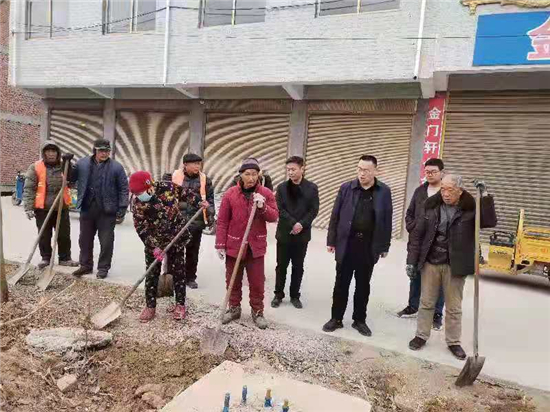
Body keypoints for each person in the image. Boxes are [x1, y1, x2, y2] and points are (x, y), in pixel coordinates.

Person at [407, 175, 497, 360]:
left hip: (455, 264)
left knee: (454, 307)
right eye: (443, 189)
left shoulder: (470, 209)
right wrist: (411, 260)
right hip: (431, 262)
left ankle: (453, 341)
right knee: (426, 302)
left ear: (460, 191)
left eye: (450, 190)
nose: (446, 194)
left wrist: (484, 195)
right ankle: (421, 335)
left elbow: (489, 221)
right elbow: (417, 235)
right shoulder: (431, 206)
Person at [322, 155, 393, 337]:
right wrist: (331, 240)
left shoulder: (384, 191)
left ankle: (359, 320)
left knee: (363, 285)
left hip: (368, 246)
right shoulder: (346, 188)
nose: (362, 173)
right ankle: (336, 318)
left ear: (375, 171)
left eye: (366, 170)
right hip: (347, 243)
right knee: (341, 284)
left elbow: (387, 219)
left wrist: (385, 245)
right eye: (359, 169)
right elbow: (335, 215)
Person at [215, 158, 278, 329]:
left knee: (257, 282)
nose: (251, 178)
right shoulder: (230, 194)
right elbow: (222, 221)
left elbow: (274, 216)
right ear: (240, 175)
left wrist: (263, 207)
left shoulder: (265, 193)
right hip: (234, 244)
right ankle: (234, 308)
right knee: (232, 280)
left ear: (259, 175)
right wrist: (220, 244)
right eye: (247, 174)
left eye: (254, 174)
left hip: (255, 246)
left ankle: (257, 311)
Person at [129, 171, 192, 322]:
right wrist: (154, 247)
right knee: (151, 273)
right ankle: (150, 306)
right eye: (135, 193)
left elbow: (186, 194)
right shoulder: (138, 204)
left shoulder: (167, 187)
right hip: (154, 240)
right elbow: (141, 228)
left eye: (140, 192)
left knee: (178, 271)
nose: (138, 196)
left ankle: (180, 305)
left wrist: (199, 203)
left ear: (149, 186)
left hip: (176, 236)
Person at [398, 158, 446, 331]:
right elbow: (409, 213)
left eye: (433, 172)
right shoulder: (420, 191)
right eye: (427, 172)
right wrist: (412, 226)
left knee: (439, 281)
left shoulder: (447, 192)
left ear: (442, 173)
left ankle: (437, 314)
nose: (430, 175)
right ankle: (413, 306)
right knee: (415, 275)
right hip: (418, 241)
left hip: (439, 244)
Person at [70, 139, 129, 279]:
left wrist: (122, 206)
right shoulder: (82, 163)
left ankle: (103, 268)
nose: (104, 153)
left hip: (107, 210)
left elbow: (124, 188)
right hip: (87, 208)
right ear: (95, 150)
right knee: (84, 239)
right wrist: (65, 163)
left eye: (107, 151)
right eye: (101, 150)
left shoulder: (117, 167)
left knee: (106, 241)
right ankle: (85, 265)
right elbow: (71, 177)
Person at [271, 156, 319, 309]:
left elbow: (313, 210)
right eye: (288, 170)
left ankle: (294, 295)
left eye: (293, 169)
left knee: (298, 267)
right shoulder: (282, 188)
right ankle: (278, 294)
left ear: (302, 169)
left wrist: (301, 224)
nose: (290, 172)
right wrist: (293, 223)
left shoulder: (312, 188)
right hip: (284, 234)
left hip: (302, 235)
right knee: (281, 266)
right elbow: (280, 209)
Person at [22, 141, 78, 269]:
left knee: (64, 235)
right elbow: (29, 188)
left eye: (54, 151)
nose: (51, 154)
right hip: (43, 208)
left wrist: (69, 163)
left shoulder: (64, 165)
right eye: (48, 151)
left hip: (61, 207)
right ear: (44, 153)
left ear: (58, 153)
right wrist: (28, 208)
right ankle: (46, 258)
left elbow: (72, 180)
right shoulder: (35, 167)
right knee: (44, 235)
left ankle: (65, 258)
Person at [172, 153, 215, 289]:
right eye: (194, 164)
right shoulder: (174, 177)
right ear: (185, 164)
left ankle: (190, 277)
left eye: (199, 164)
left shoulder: (205, 180)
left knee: (193, 251)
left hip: (196, 221)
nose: (198, 166)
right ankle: (174, 276)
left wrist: (210, 213)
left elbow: (210, 200)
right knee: (175, 251)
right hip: (177, 220)